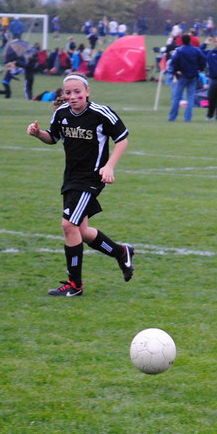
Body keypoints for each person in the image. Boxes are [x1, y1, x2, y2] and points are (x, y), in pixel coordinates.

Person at [26, 74, 135, 297]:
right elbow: (53, 138)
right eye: (68, 93)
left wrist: (109, 166)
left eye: (77, 92)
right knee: (81, 231)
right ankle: (121, 252)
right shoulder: (61, 113)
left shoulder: (101, 113)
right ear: (63, 94)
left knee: (68, 226)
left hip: (91, 179)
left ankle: (74, 285)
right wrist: (38, 134)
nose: (73, 96)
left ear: (87, 91)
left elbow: (122, 139)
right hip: (71, 179)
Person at [167, 33, 206, 122]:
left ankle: (173, 117)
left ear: (182, 41)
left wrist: (176, 70)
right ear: (190, 40)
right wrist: (200, 69)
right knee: (191, 97)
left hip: (182, 75)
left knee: (177, 97)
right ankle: (188, 118)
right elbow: (203, 58)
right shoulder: (196, 50)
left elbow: (173, 61)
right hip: (193, 76)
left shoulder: (180, 50)